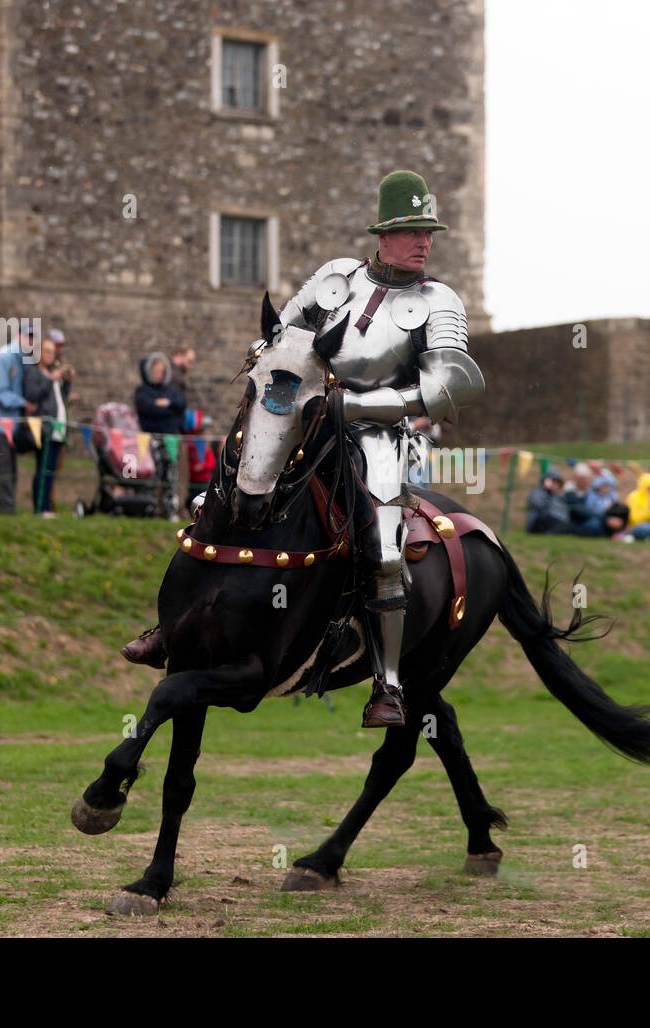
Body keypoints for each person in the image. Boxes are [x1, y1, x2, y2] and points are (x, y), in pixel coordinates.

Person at [121, 170, 485, 731]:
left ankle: (387, 683)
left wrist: (363, 409)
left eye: (428, 231)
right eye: (411, 230)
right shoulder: (335, 277)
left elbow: (451, 386)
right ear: (382, 234)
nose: (424, 241)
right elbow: (280, 334)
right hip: (304, 423)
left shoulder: (439, 301)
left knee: (385, 550)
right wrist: (268, 367)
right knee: (219, 499)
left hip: (378, 440)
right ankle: (171, 630)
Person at [0, 324, 31, 515]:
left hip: (9, 426)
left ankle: (7, 510)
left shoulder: (21, 360)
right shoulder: (4, 358)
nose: (32, 341)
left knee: (10, 470)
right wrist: (24, 403)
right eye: (29, 336)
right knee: (1, 471)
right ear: (19, 336)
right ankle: (4, 511)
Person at [134, 351, 186, 521]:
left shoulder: (170, 391)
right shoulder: (142, 391)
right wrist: (164, 408)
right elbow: (146, 408)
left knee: (170, 475)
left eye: (161, 371)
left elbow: (180, 404)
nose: (158, 374)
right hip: (150, 439)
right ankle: (150, 508)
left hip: (170, 438)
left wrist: (167, 404)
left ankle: (170, 510)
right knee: (152, 474)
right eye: (155, 370)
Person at [23, 332, 69, 517]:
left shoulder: (51, 373)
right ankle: (40, 507)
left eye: (52, 351)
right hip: (44, 427)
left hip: (59, 428)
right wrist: (50, 380)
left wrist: (67, 382)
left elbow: (61, 399)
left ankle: (47, 507)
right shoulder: (33, 371)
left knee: (51, 470)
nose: (51, 355)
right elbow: (32, 395)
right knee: (42, 468)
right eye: (47, 351)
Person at [525, 468, 578, 534]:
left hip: (556, 523)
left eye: (558, 483)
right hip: (538, 523)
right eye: (554, 482)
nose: (556, 486)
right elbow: (540, 505)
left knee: (569, 525)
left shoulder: (558, 496)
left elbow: (563, 513)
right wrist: (548, 491)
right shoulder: (537, 493)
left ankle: (552, 532)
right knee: (547, 518)